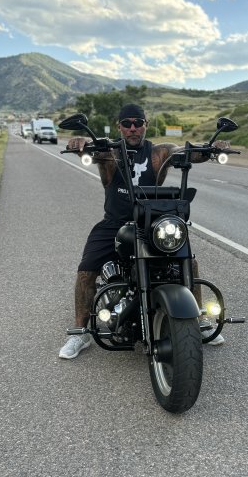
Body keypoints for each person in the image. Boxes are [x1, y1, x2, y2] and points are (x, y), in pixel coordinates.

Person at [59, 103, 225, 359]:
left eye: (138, 123)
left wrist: (210, 149)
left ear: (146, 125)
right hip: (115, 222)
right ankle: (80, 331)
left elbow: (183, 152)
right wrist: (80, 143)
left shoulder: (159, 151)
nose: (133, 128)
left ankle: (199, 320)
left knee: (189, 262)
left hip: (152, 221)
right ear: (119, 127)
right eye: (127, 124)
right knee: (87, 269)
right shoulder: (111, 151)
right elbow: (93, 149)